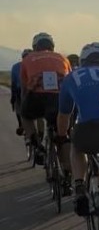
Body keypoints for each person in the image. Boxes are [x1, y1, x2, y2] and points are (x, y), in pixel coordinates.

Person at [56, 42, 99, 219]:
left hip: (88, 130)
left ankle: (79, 185)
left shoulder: (72, 76)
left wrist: (62, 137)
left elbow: (64, 115)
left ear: (83, 60)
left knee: (76, 146)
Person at [20, 33, 72, 185]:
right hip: (59, 98)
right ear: (52, 46)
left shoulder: (28, 59)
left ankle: (36, 144)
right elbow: (69, 81)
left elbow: (24, 88)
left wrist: (24, 104)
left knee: (25, 115)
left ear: (35, 47)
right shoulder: (63, 58)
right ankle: (68, 173)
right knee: (63, 136)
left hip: (36, 97)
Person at [10, 49, 30, 136]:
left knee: (18, 108)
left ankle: (21, 124)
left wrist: (12, 98)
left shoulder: (16, 67)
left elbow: (13, 84)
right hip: (33, 91)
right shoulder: (35, 66)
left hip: (20, 91)